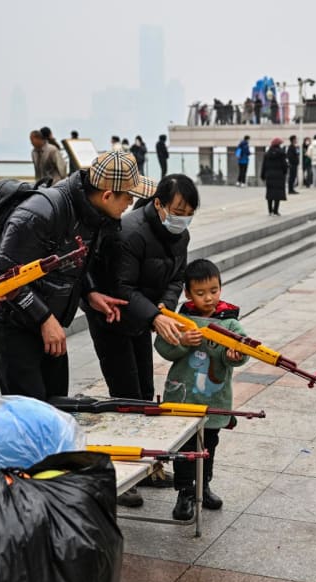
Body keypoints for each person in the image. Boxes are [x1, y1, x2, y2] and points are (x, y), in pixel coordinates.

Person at [0, 151, 156, 402]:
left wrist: (89, 292)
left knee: (56, 408)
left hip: (50, 321)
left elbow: (72, 259)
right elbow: (2, 277)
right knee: (29, 413)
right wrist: (44, 318)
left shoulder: (93, 211)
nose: (131, 203)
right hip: (15, 324)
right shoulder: (42, 210)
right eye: (129, 196)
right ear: (108, 195)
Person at [84, 174, 198, 506]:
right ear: (158, 204)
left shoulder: (181, 235)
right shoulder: (129, 232)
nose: (183, 218)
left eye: (189, 211)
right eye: (178, 210)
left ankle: (147, 468)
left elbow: (177, 277)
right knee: (125, 397)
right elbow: (121, 288)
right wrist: (154, 316)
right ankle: (120, 476)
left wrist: (164, 307)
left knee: (145, 394)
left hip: (143, 317)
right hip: (113, 318)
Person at [154, 259, 247, 521]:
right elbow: (164, 348)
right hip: (183, 397)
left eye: (214, 291)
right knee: (185, 447)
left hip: (214, 398)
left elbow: (240, 355)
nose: (209, 298)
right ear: (187, 293)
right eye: (201, 292)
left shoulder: (230, 323)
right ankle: (185, 492)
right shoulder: (180, 319)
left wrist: (234, 355)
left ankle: (203, 486)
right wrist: (182, 341)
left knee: (209, 445)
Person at [260, 137, 288, 215]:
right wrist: (285, 172)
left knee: (270, 193)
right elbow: (284, 165)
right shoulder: (282, 154)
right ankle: (276, 211)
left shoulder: (267, 154)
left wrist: (262, 176)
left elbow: (264, 166)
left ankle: (270, 211)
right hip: (279, 175)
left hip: (269, 175)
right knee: (277, 194)